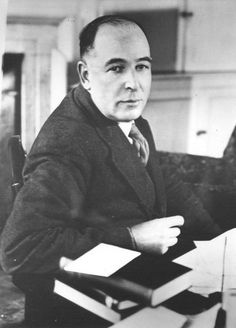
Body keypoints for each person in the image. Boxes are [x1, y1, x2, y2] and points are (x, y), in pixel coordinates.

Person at [0, 15, 220, 326]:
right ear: (85, 75)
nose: (133, 83)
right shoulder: (67, 143)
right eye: (116, 68)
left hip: (133, 282)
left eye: (142, 66)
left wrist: (219, 243)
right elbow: (19, 249)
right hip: (84, 306)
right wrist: (131, 238)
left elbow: (163, 181)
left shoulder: (128, 117)